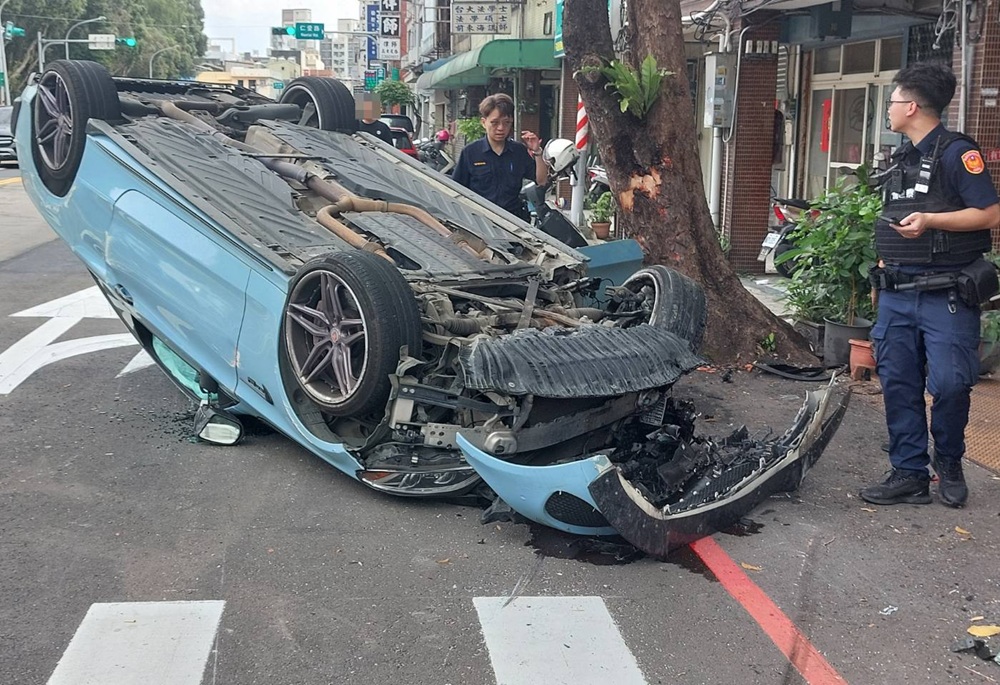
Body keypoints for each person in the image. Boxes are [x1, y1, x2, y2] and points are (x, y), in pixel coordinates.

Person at [861, 61, 1000, 508]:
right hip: (898, 294)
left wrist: (931, 221)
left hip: (947, 295)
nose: (888, 110)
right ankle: (908, 473)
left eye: (893, 101)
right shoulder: (900, 157)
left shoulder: (958, 153)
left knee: (952, 383)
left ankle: (951, 461)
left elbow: (990, 213)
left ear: (913, 105)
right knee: (899, 383)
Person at [452, 93, 548, 221]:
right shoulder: (470, 152)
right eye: (495, 123)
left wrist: (537, 152)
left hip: (514, 222)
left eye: (506, 123)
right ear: (483, 122)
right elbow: (456, 189)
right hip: (481, 221)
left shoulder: (518, 151)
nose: (501, 128)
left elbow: (541, 181)